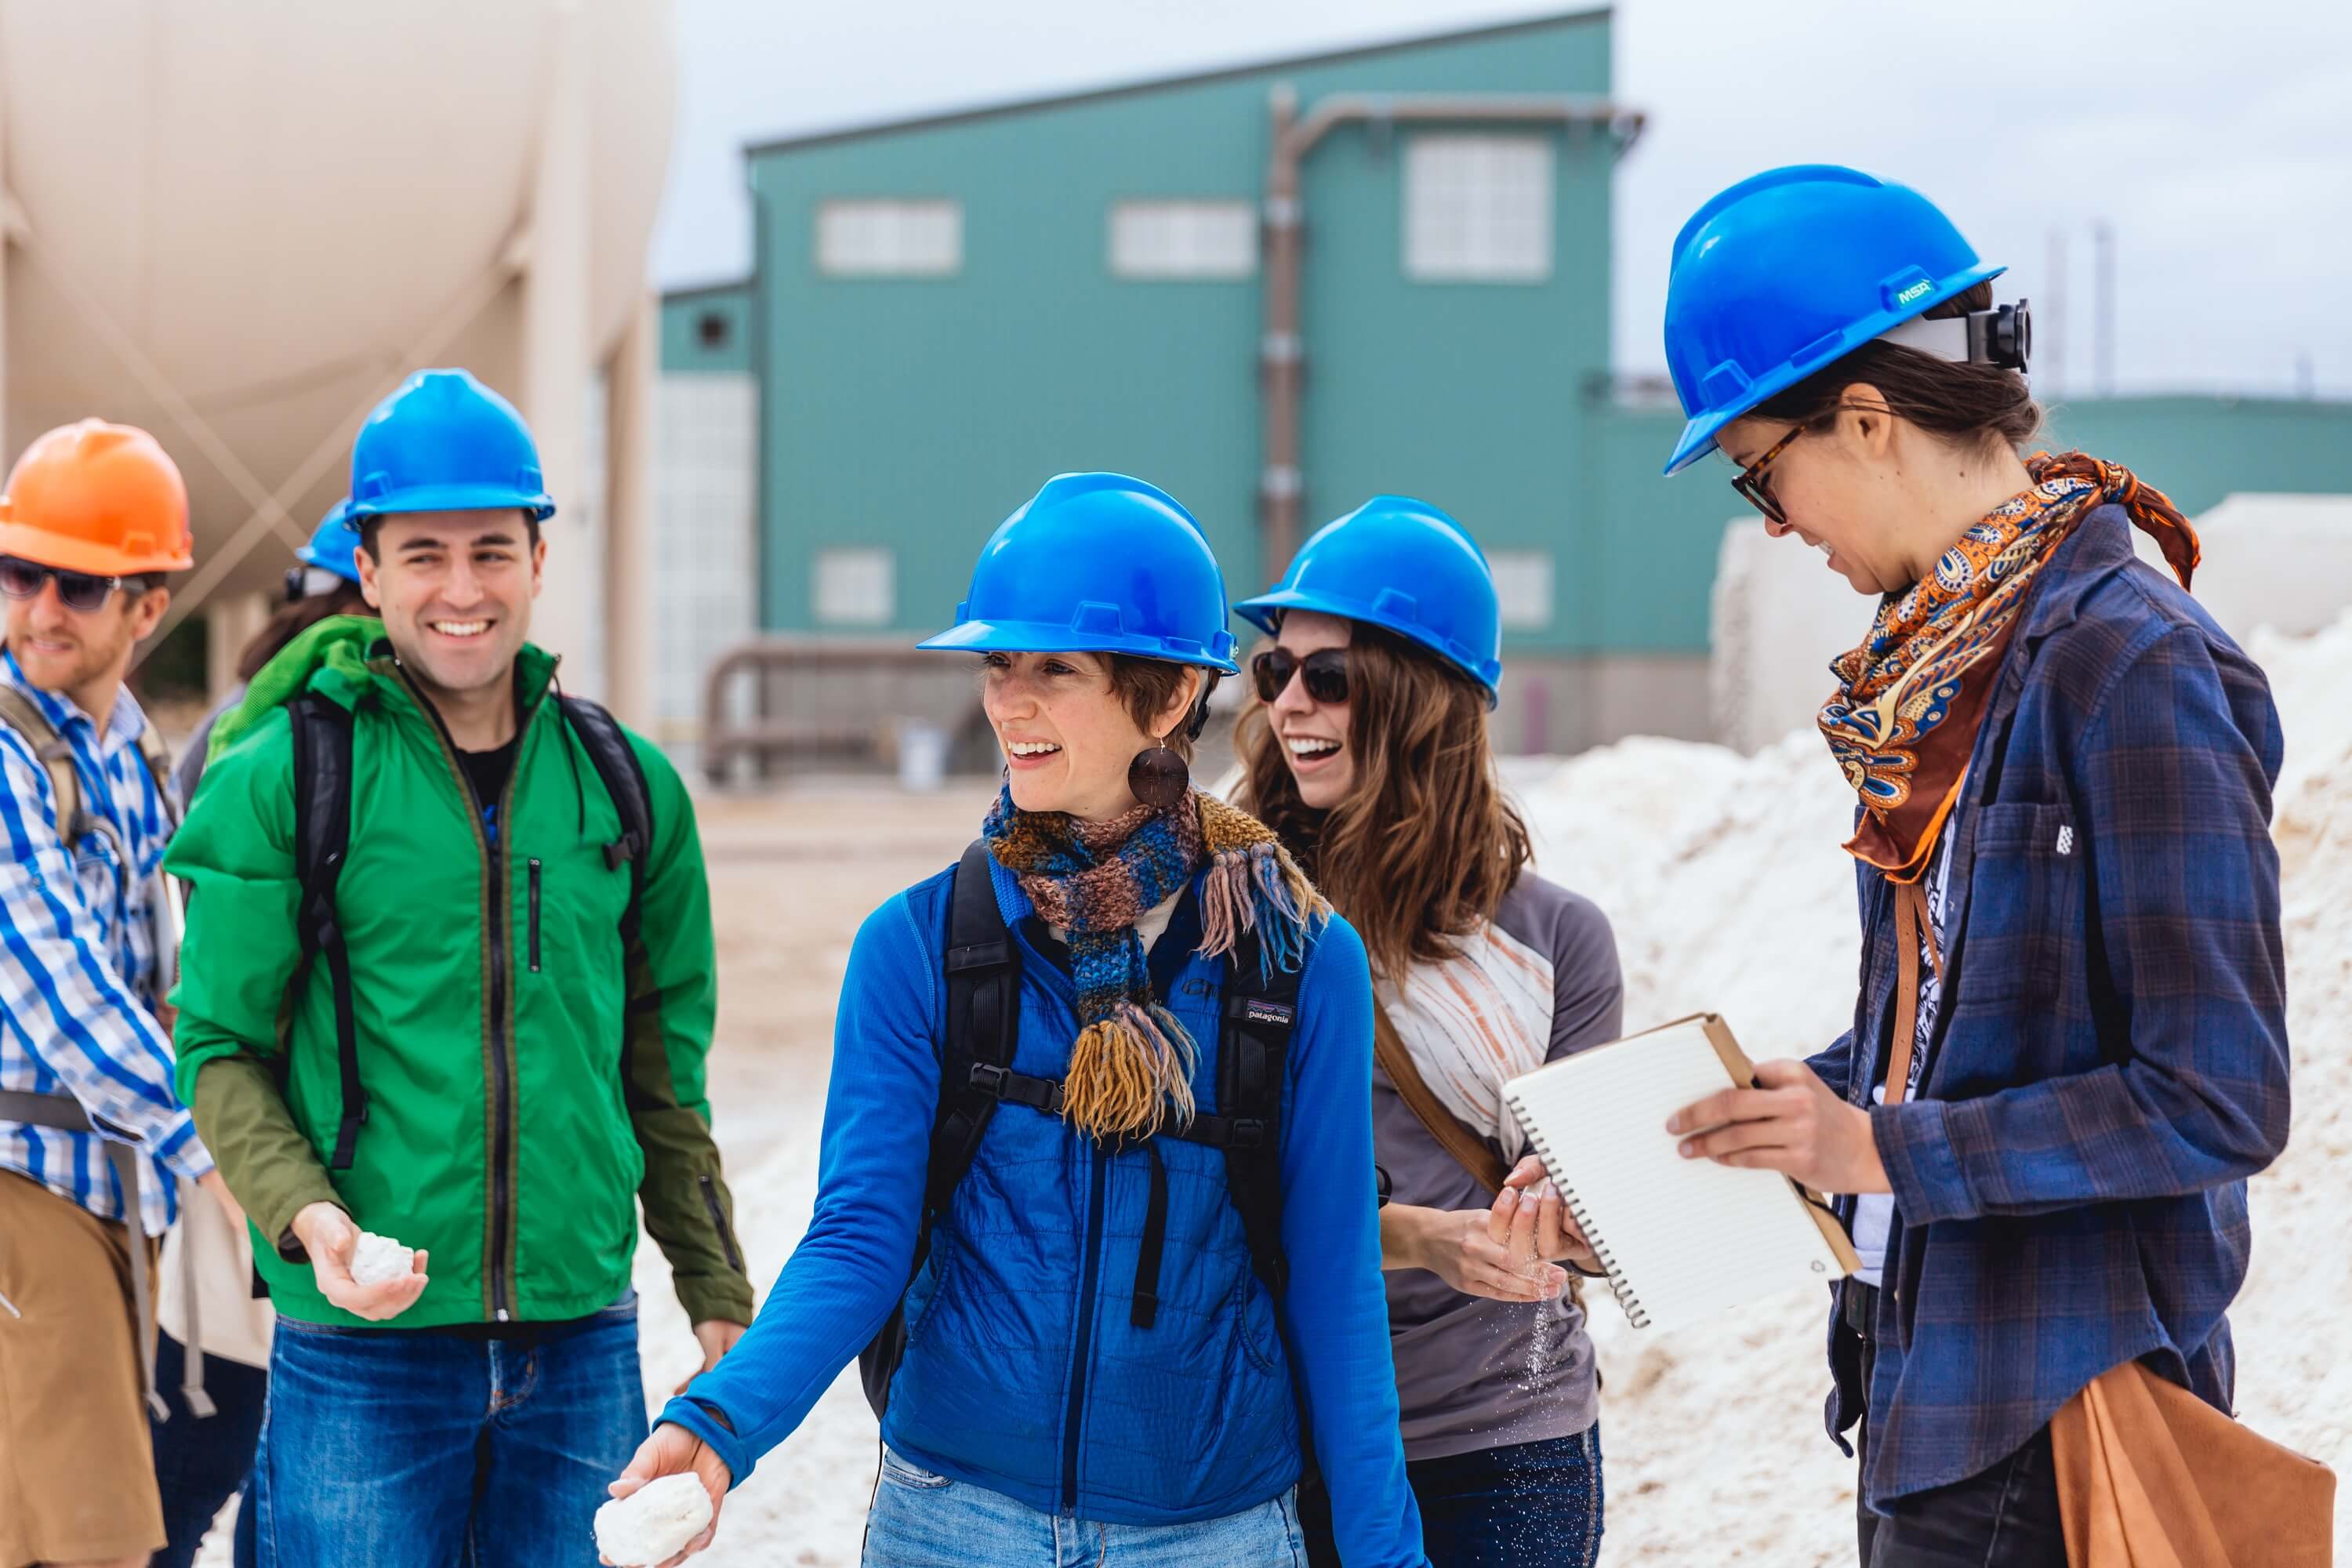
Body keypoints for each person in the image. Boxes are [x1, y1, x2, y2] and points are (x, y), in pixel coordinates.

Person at [609, 473, 1429, 1567]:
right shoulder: (921, 949)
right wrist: (716, 1428)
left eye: (1055, 669)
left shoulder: (1295, 958)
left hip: (1215, 1531)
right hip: (953, 1522)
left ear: (1174, 691)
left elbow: (1336, 1284)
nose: (1008, 703)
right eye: (999, 665)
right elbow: (860, 1237)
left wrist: (1385, 1554)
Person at [1652, 166, 2288, 1566]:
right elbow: (1951, 1038)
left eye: (1765, 473)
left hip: (2065, 1416)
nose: (1774, 523)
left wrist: (1879, 1146)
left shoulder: (2132, 665)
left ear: (1868, 420)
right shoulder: (1941, 679)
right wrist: (1791, 1110)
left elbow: (2219, 1096)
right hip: (1926, 1385)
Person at [165, 368, 755, 1568]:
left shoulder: (629, 786)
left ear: (540, 559)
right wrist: (311, 1220)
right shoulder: (284, 778)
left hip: (582, 1344)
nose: (462, 588)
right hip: (362, 1358)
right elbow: (221, 1052)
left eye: (492, 549)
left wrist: (717, 1296)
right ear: (368, 569)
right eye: (423, 554)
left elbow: (660, 1069)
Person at [1232, 496, 1622, 1568]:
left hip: (1504, 1444)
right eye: (1276, 672)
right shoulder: (1237, 912)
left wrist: (1574, 1208)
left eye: (1331, 676)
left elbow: (1586, 1213)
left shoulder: (1557, 943)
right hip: (1273, 1435)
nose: (1290, 704)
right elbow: (1210, 1180)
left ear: (1425, 702)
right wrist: (1412, 1237)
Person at [0, 419, 238, 1568]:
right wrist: (213, 1143)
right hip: (21, 1193)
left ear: (149, 607)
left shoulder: (129, 753)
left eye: (79, 586)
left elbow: (187, 970)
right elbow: (64, 994)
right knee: (86, 1549)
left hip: (111, 1196)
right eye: (20, 572)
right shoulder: (2, 754)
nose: (41, 606)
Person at [148, 499, 378, 1568]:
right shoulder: (285, 734)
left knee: (236, 1444)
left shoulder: (232, 721)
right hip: (270, 1149)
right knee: (255, 1450)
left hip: (242, 1144)